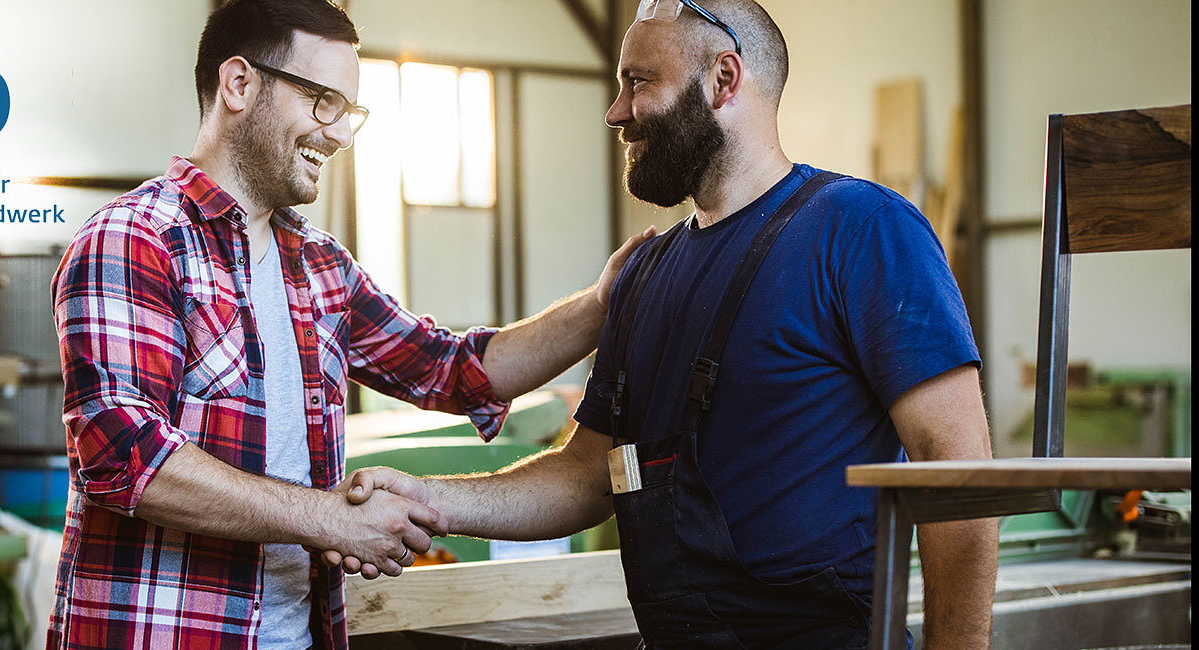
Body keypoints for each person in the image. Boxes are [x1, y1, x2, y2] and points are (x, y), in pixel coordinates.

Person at [327, 0, 997, 647]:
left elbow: (956, 470)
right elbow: (587, 472)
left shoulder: (862, 231)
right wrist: (427, 498)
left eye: (637, 83)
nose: (616, 112)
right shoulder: (643, 275)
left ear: (723, 79)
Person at [46, 0, 653, 648]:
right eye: (322, 102)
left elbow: (458, 371)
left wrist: (601, 302)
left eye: (349, 112)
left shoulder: (320, 266)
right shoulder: (133, 239)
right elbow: (124, 455)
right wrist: (329, 520)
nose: (338, 134)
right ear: (239, 84)